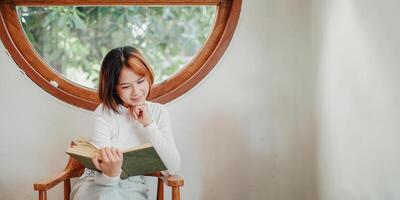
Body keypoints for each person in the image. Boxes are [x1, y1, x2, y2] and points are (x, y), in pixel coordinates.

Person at [70, 46, 181, 200]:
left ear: (148, 76)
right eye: (126, 86)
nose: (136, 91)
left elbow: (172, 169)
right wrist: (112, 173)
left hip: (132, 183)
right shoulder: (103, 112)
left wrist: (148, 124)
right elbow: (100, 172)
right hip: (96, 180)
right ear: (114, 89)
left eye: (140, 81)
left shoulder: (158, 112)